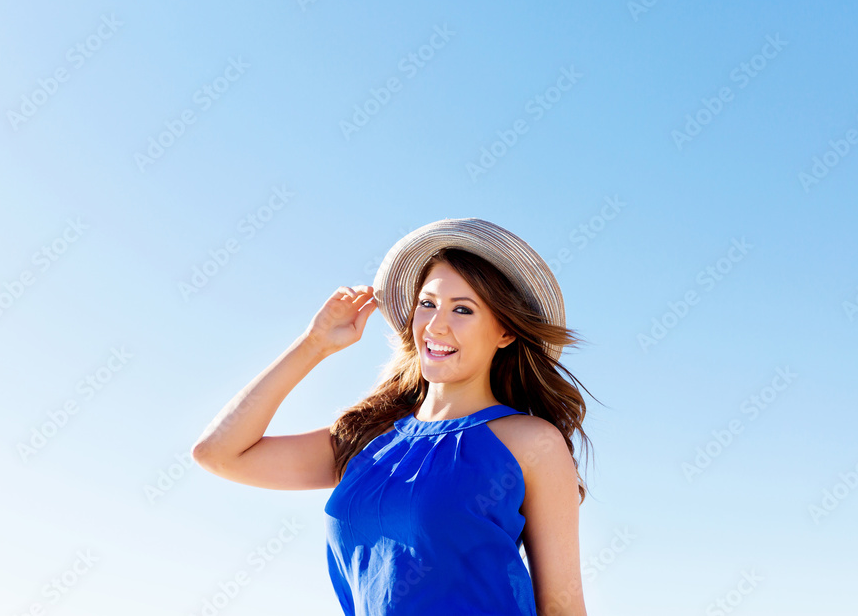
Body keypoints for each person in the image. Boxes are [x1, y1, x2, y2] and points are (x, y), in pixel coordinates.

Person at [192, 217, 596, 615]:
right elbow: (218, 453)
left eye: (463, 310)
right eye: (427, 304)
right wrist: (313, 344)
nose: (437, 325)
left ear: (505, 332)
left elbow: (562, 606)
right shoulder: (367, 440)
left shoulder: (531, 442)